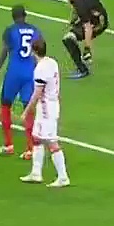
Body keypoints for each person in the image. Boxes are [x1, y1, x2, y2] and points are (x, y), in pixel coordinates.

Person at [0, 5, 42, 159]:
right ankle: (30, 148)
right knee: (28, 109)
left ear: (13, 16)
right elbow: (40, 53)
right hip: (30, 74)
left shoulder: (10, 31)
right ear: (25, 15)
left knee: (5, 105)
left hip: (14, 73)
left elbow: (4, 53)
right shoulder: (35, 31)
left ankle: (8, 145)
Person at [20, 38, 70, 188]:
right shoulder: (52, 62)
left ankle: (63, 177)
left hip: (46, 109)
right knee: (37, 138)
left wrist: (26, 111)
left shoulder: (40, 69)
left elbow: (37, 93)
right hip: (51, 105)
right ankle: (36, 173)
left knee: (51, 142)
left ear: (33, 51)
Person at [59, 0, 108, 80]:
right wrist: (73, 20)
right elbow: (76, 8)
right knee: (70, 37)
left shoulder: (80, 4)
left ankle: (83, 70)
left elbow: (88, 27)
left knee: (68, 39)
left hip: (98, 23)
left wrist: (87, 48)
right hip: (94, 16)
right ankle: (82, 65)